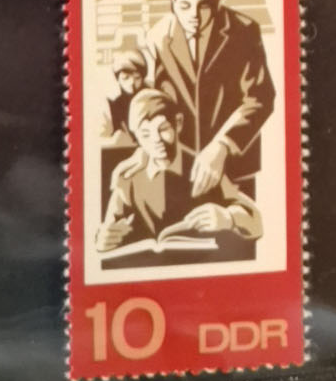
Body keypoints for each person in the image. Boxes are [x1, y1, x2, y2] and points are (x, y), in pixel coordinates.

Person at [108, 0, 275, 201]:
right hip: (180, 167)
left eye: (203, 6)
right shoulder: (158, 37)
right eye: (184, 6)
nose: (193, 16)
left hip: (234, 168)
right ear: (173, 3)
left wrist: (223, 145)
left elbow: (260, 98)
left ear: (216, 2)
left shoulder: (244, 31)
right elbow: (156, 102)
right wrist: (146, 150)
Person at [96, 84, 263, 255]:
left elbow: (256, 223)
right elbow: (109, 227)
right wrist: (104, 239)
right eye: (145, 134)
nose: (156, 139)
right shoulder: (129, 177)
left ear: (178, 123)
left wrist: (229, 218)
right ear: (136, 137)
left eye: (163, 129)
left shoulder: (202, 167)